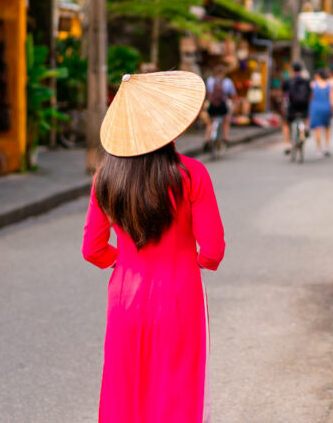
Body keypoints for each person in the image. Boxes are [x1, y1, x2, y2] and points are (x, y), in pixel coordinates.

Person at [82, 71, 224, 422]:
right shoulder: (191, 174)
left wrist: (126, 260)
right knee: (175, 392)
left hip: (125, 296)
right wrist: (188, 260)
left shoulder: (106, 177)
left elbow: (92, 248)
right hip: (179, 293)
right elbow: (213, 251)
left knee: (124, 391)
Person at [282, 62, 312, 154]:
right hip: (304, 106)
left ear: (292, 70)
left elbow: (284, 95)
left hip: (292, 106)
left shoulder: (287, 81)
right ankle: (306, 128)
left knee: (286, 123)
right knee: (306, 116)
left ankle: (287, 144)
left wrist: (284, 105)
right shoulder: (307, 81)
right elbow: (310, 94)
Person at [205, 65, 236, 146]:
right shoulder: (228, 82)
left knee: (210, 121)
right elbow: (232, 94)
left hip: (212, 105)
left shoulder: (210, 80)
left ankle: (207, 139)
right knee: (226, 119)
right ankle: (225, 137)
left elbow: (207, 93)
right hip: (222, 106)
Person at [308, 68, 333, 157]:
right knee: (327, 128)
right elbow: (332, 99)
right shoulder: (328, 85)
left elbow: (310, 97)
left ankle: (319, 149)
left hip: (316, 108)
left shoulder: (313, 85)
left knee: (317, 129)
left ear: (317, 76)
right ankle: (326, 147)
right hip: (326, 107)